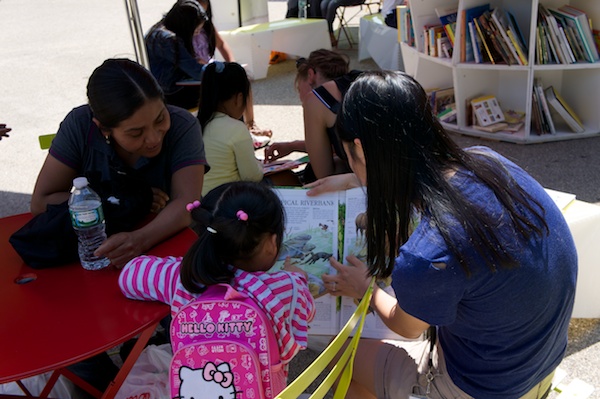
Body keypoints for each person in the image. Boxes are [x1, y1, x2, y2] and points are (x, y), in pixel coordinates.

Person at [308, 71, 577, 398]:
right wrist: (357, 178)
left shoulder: (428, 255)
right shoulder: (485, 160)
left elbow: (407, 327)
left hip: (480, 390)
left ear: (361, 150)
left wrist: (363, 287)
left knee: (340, 357)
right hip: (537, 367)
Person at [119, 181, 316, 382]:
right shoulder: (287, 288)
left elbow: (129, 276)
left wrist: (178, 264)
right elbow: (306, 312)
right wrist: (299, 277)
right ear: (272, 244)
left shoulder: (182, 278)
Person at [31, 58, 208, 269]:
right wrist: (125, 201)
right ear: (103, 129)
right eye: (136, 132)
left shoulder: (182, 126)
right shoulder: (79, 125)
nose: (153, 138)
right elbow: (42, 201)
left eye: (160, 119)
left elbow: (187, 203)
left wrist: (139, 240)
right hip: (103, 257)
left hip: (177, 255)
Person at [263, 49, 357, 183]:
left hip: (374, 183)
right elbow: (335, 146)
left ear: (311, 75)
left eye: (299, 89)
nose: (301, 98)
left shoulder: (317, 99)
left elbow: (324, 175)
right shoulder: (357, 84)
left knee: (311, 173)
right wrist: (292, 146)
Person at [192, 0, 273, 138]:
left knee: (242, 78)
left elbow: (222, 45)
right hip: (202, 74)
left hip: (212, 69)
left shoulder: (207, 26)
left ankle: (250, 124)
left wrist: (233, 66)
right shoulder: (184, 31)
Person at [198, 62, 264, 196]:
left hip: (198, 203)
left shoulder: (194, 124)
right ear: (239, 98)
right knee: (286, 178)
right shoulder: (236, 129)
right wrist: (260, 165)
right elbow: (252, 177)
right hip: (227, 202)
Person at [146, 0, 208, 109]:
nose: (197, 34)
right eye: (196, 31)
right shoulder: (168, 40)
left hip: (160, 88)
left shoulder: (160, 29)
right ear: (186, 26)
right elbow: (196, 71)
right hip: (169, 92)